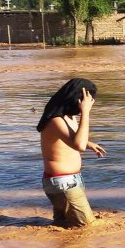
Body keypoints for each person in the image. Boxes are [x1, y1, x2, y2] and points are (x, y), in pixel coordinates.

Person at [37, 78, 106, 227]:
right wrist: (85, 113)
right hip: (62, 183)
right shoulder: (56, 120)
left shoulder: (68, 117)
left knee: (64, 225)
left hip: (69, 181)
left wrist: (89, 144)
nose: (88, 104)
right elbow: (78, 145)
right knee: (87, 227)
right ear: (77, 100)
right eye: (87, 101)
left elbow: (72, 140)